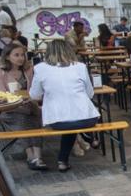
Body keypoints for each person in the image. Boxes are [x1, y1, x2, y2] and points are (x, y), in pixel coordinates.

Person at [29, 40, 99, 172]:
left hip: (58, 120)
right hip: (87, 118)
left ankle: (64, 160)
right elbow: (90, 93)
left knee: (69, 124)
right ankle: (87, 138)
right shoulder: (80, 66)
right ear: (69, 50)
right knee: (79, 119)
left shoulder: (40, 68)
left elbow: (35, 96)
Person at [0, 42, 45, 170]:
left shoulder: (28, 70)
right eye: (16, 55)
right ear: (7, 57)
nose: (20, 58)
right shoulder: (1, 72)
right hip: (10, 110)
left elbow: (34, 91)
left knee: (35, 118)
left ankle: (37, 156)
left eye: (22, 55)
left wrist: (29, 99)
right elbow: (1, 94)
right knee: (24, 120)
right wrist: (18, 100)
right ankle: (31, 156)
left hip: (29, 106)